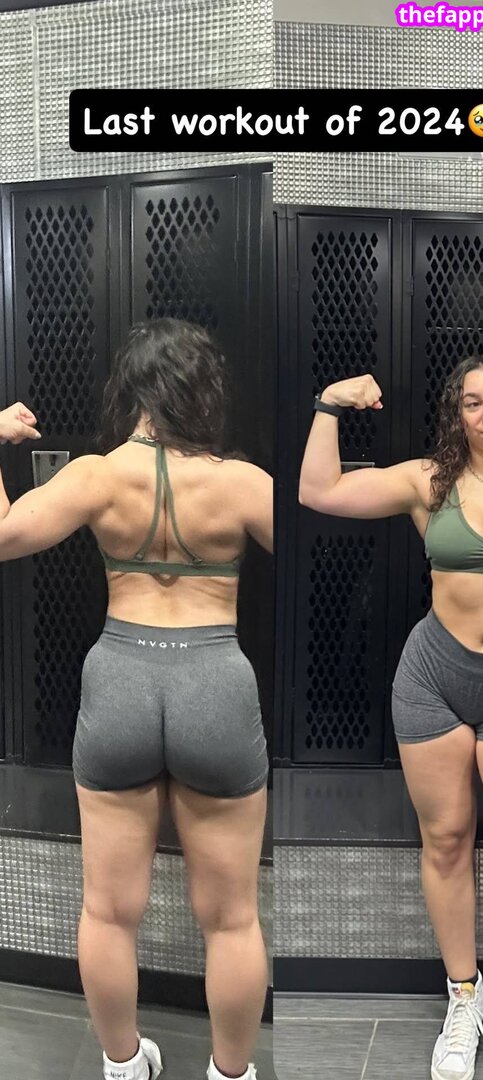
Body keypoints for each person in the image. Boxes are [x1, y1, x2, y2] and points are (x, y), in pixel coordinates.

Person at [299, 356, 483, 1080]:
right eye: (472, 402)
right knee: (446, 841)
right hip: (432, 679)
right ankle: (464, 997)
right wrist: (329, 404)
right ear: (456, 415)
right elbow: (318, 491)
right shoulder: (429, 480)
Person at [0, 319, 272, 1080]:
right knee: (233, 919)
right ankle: (231, 1074)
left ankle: (124, 1066)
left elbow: (3, 536)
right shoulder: (243, 483)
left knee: (108, 911)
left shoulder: (97, 475)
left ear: (133, 390)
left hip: (119, 675)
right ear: (202, 389)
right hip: (215, 679)